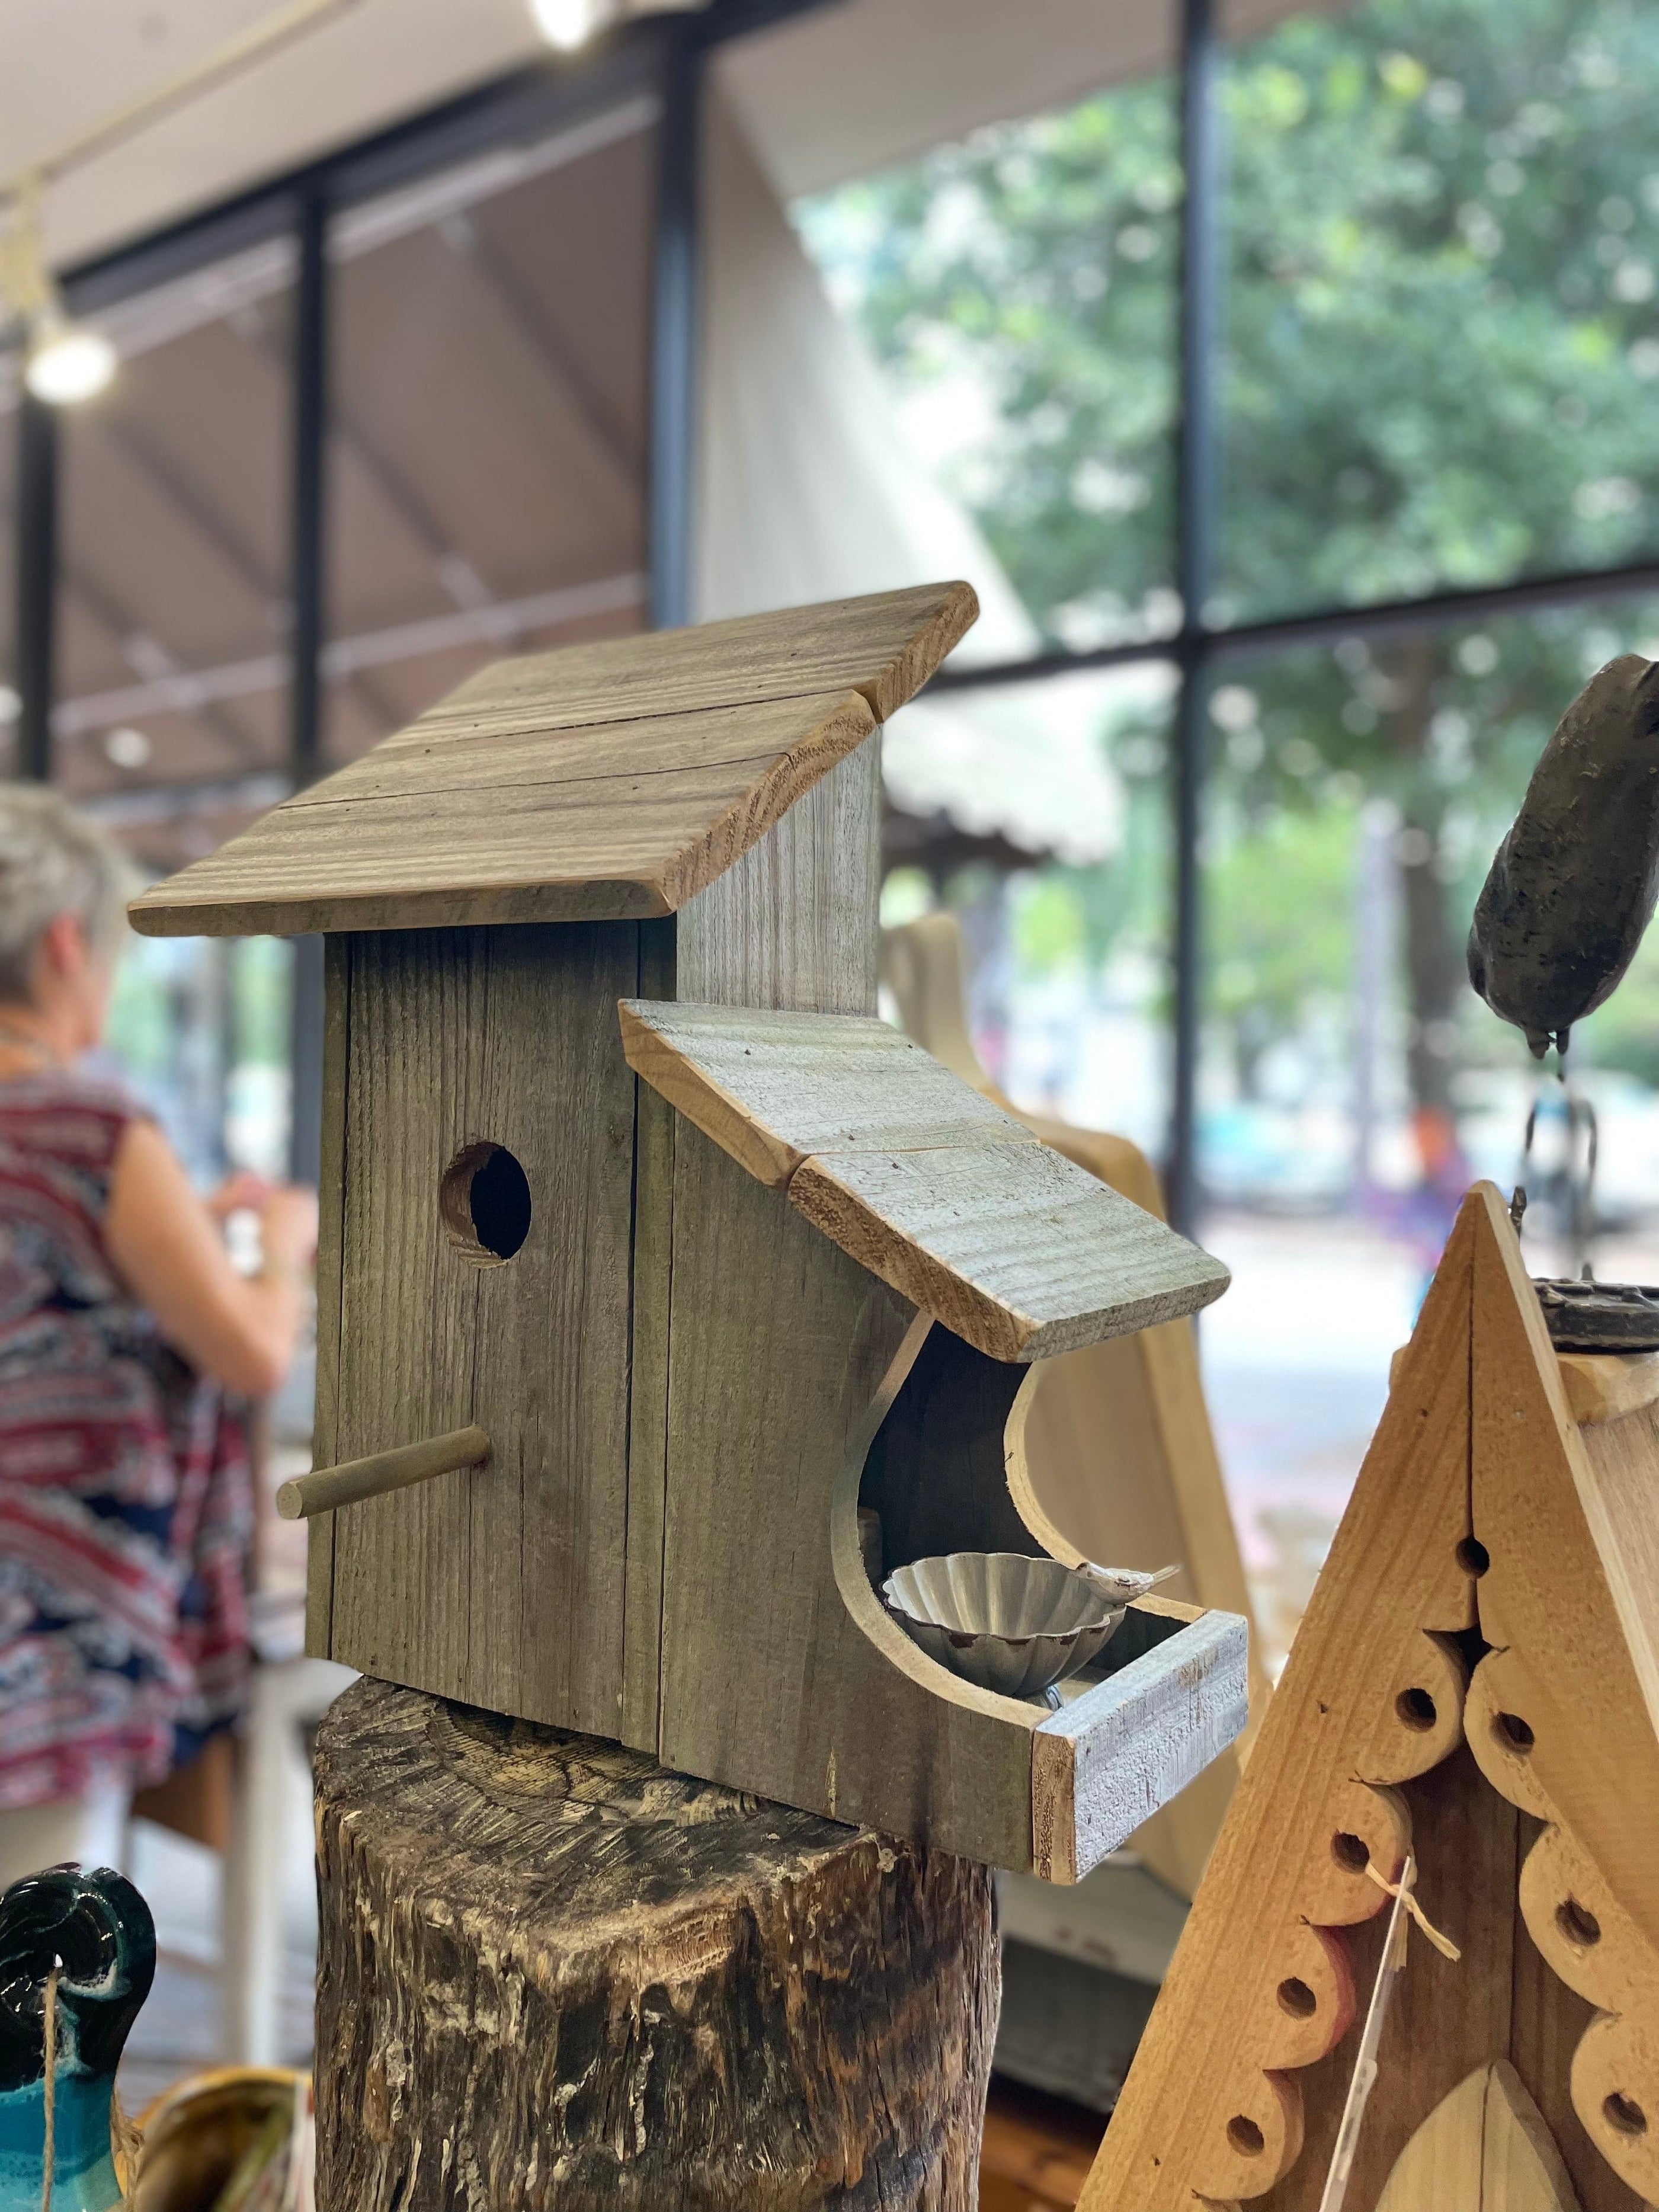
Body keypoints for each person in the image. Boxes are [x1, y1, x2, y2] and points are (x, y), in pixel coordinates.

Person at [0, 786, 316, 1887]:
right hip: (46, 1649)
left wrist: (185, 1222)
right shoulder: (94, 1128)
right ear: (66, 942)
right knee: (34, 1974)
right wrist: (279, 1241)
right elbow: (251, 1352)